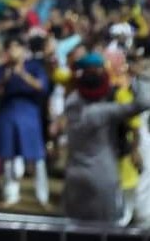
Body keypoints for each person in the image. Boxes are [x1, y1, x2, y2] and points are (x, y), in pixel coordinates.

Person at [62, 54, 150, 223]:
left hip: (74, 175)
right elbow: (144, 102)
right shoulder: (105, 111)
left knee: (74, 231)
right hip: (103, 177)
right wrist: (140, 76)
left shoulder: (71, 103)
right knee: (106, 233)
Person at [0, 36, 50, 206]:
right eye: (9, 48)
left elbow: (42, 87)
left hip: (29, 113)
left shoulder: (34, 67)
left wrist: (22, 74)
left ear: (23, 50)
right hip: (8, 112)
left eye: (16, 47)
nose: (12, 51)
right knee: (8, 154)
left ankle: (42, 197)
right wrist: (6, 78)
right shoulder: (2, 69)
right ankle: (11, 194)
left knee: (37, 156)